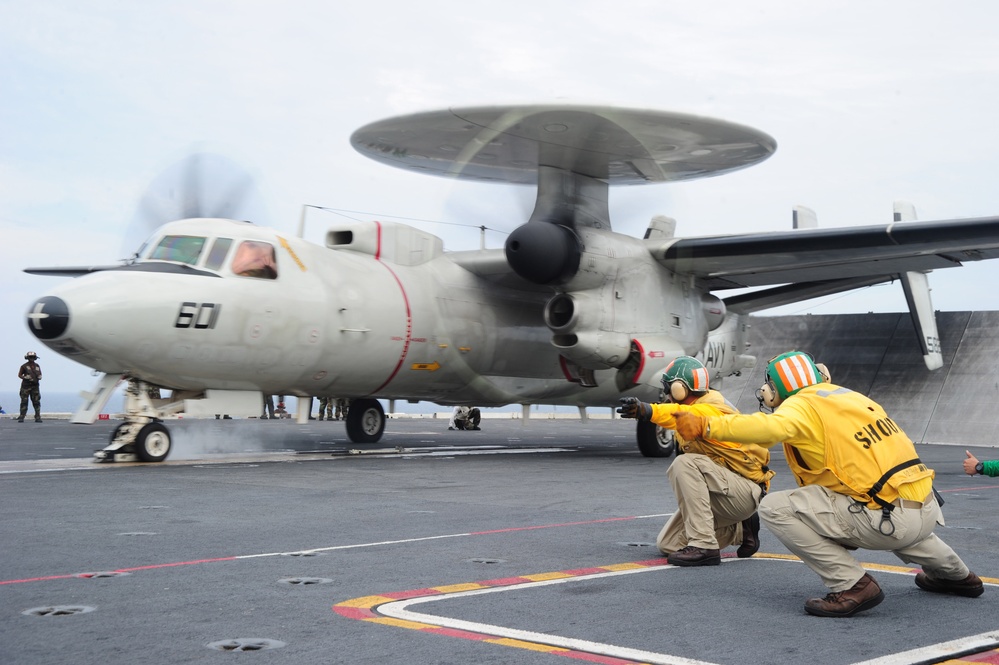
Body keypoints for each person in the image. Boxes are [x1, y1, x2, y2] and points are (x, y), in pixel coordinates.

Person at [674, 351, 983, 617]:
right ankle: (957, 576)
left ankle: (852, 584)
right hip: (925, 510)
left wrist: (706, 424)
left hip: (888, 522)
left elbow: (766, 427)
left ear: (775, 389)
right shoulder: (853, 398)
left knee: (775, 508)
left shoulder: (801, 405)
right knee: (885, 501)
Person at [618, 356, 773, 566]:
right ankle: (740, 529)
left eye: (668, 388)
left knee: (685, 464)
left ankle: (705, 546)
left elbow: (680, 415)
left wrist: (648, 410)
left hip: (744, 491)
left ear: (679, 389)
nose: (667, 394)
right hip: (723, 490)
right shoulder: (697, 409)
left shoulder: (710, 408)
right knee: (668, 544)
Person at [17, 351, 43, 423]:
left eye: (33, 357)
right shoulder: (24, 366)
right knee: (24, 401)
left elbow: (40, 373)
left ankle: (38, 417)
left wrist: (40, 376)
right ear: (27, 358)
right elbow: (19, 375)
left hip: (35, 386)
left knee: (36, 402)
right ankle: (22, 416)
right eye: (30, 357)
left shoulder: (37, 366)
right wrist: (25, 377)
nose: (32, 359)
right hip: (26, 387)